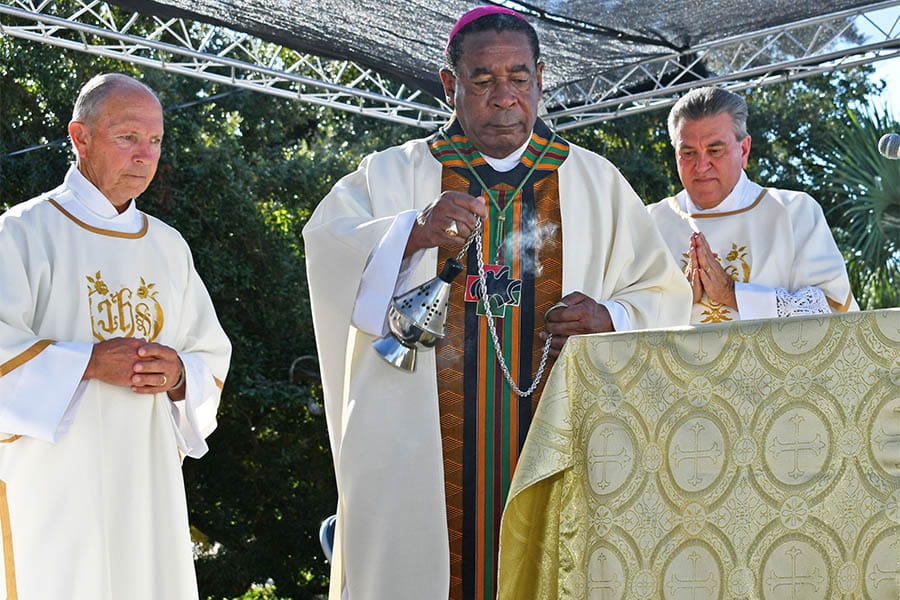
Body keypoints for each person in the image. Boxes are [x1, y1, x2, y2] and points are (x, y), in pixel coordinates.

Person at [303, 6, 691, 600]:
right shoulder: (391, 175)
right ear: (450, 84)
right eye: (482, 79)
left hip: (561, 442)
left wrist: (610, 317)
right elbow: (326, 249)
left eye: (518, 77)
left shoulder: (595, 182)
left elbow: (666, 297)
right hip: (419, 458)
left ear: (541, 78)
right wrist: (412, 233)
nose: (504, 96)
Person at [0, 73, 231, 599]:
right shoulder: (21, 233)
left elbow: (209, 356)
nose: (144, 156)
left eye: (155, 141)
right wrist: (86, 362)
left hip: (147, 485)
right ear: (79, 137)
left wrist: (179, 374)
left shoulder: (169, 248)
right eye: (128, 137)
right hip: (53, 490)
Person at [647, 86, 858, 324]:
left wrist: (732, 294)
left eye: (715, 150)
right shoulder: (650, 223)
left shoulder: (794, 212)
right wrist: (679, 300)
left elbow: (833, 310)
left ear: (744, 149)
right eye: (688, 153)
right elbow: (624, 319)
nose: (701, 166)